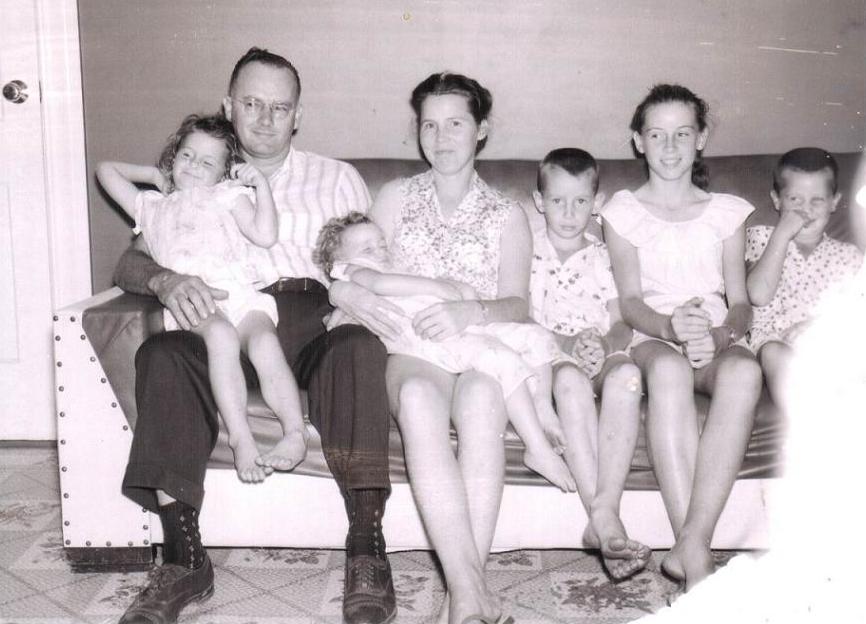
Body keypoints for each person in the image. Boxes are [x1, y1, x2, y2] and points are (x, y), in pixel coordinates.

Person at [112, 48, 397, 624]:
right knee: (163, 354)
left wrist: (355, 296)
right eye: (251, 103)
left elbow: (375, 258)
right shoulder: (198, 174)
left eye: (280, 107)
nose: (265, 119)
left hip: (312, 314)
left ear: (298, 116)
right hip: (220, 314)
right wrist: (165, 280)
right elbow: (131, 261)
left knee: (359, 347)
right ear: (228, 106)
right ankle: (184, 559)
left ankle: (367, 548)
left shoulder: (338, 178)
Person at [328, 72, 519, 624]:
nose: (441, 137)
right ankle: (469, 592)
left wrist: (471, 310)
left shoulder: (508, 213)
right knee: (416, 398)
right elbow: (353, 266)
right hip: (413, 349)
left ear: (482, 129)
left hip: (479, 345)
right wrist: (341, 290)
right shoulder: (395, 197)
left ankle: (464, 597)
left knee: (483, 400)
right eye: (429, 125)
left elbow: (519, 304)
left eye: (455, 123)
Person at [602, 84, 763, 592]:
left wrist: (720, 336)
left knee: (746, 371)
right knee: (669, 370)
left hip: (712, 336)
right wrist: (668, 328)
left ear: (701, 138)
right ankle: (695, 558)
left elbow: (741, 303)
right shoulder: (622, 212)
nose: (669, 147)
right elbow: (630, 301)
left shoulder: (727, 212)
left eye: (682, 134)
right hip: (652, 331)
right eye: (657, 134)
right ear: (638, 141)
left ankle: (691, 543)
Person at [96, 114, 308, 484]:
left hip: (239, 293)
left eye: (208, 162)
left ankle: (295, 433)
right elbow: (105, 170)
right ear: (174, 156)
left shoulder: (228, 196)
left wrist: (260, 185)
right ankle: (241, 437)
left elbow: (265, 234)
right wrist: (154, 176)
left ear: (225, 173)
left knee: (264, 341)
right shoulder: (152, 205)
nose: (194, 166)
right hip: (196, 300)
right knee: (221, 336)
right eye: (187, 155)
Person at [315, 212, 577, 492]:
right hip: (428, 338)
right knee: (500, 358)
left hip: (454, 325)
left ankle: (542, 406)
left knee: (536, 337)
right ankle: (537, 448)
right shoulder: (354, 271)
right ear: (339, 262)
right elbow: (381, 285)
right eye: (368, 249)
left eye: (382, 244)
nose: (380, 252)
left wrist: (458, 289)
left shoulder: (396, 266)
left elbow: (439, 287)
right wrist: (439, 287)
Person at [529, 147, 650, 580]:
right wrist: (568, 344)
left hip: (601, 349)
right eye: (557, 200)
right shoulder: (529, 252)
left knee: (629, 376)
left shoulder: (603, 256)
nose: (568, 212)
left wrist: (603, 343)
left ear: (596, 203)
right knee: (569, 384)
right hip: (554, 356)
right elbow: (524, 321)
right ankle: (606, 522)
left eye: (580, 201)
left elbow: (622, 321)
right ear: (539, 201)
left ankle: (604, 509)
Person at [746, 147, 863, 405]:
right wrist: (781, 234)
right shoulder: (762, 237)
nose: (805, 210)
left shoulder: (849, 256)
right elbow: (758, 295)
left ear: (834, 202)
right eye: (795, 200)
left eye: (817, 200)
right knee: (775, 353)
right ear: (777, 200)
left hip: (829, 344)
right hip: (774, 343)